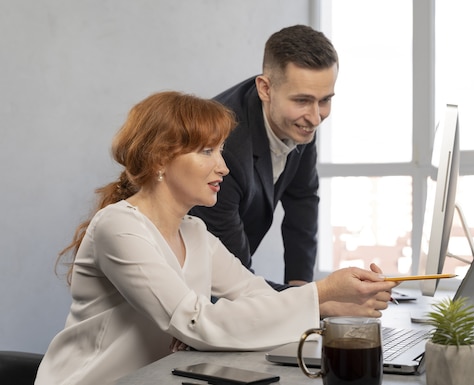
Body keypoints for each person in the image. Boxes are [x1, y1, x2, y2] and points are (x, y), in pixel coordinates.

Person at [35, 91, 397, 385]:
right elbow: (197, 323)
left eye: (221, 150)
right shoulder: (118, 227)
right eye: (207, 151)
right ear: (161, 158)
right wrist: (321, 293)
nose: (223, 166)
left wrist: (329, 306)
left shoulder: (194, 232)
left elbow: (255, 295)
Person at [190, 25, 337, 289]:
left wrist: (302, 287)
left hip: (226, 280)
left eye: (324, 100)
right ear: (265, 89)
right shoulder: (224, 149)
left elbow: (302, 200)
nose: (316, 118)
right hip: (191, 284)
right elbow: (236, 284)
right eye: (302, 101)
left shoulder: (299, 123)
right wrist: (319, 300)